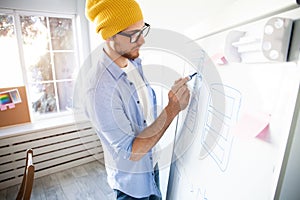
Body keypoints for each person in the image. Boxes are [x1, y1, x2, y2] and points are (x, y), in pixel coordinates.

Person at [79, 0, 191, 199]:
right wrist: (172, 109)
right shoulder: (98, 89)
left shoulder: (133, 63)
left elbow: (144, 117)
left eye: (142, 30)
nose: (142, 41)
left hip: (151, 169)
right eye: (134, 35)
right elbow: (131, 152)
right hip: (131, 188)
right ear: (110, 36)